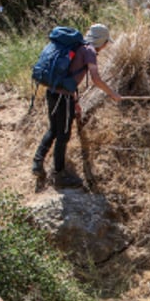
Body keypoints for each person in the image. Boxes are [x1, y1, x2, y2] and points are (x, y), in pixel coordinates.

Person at [31, 23, 123, 188]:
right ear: (101, 42)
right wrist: (112, 94)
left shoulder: (77, 46)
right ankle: (59, 175)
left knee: (53, 129)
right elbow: (96, 78)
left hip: (52, 93)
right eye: (105, 42)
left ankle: (37, 163)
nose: (105, 46)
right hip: (63, 98)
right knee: (63, 135)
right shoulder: (89, 51)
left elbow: (68, 75)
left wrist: (75, 102)